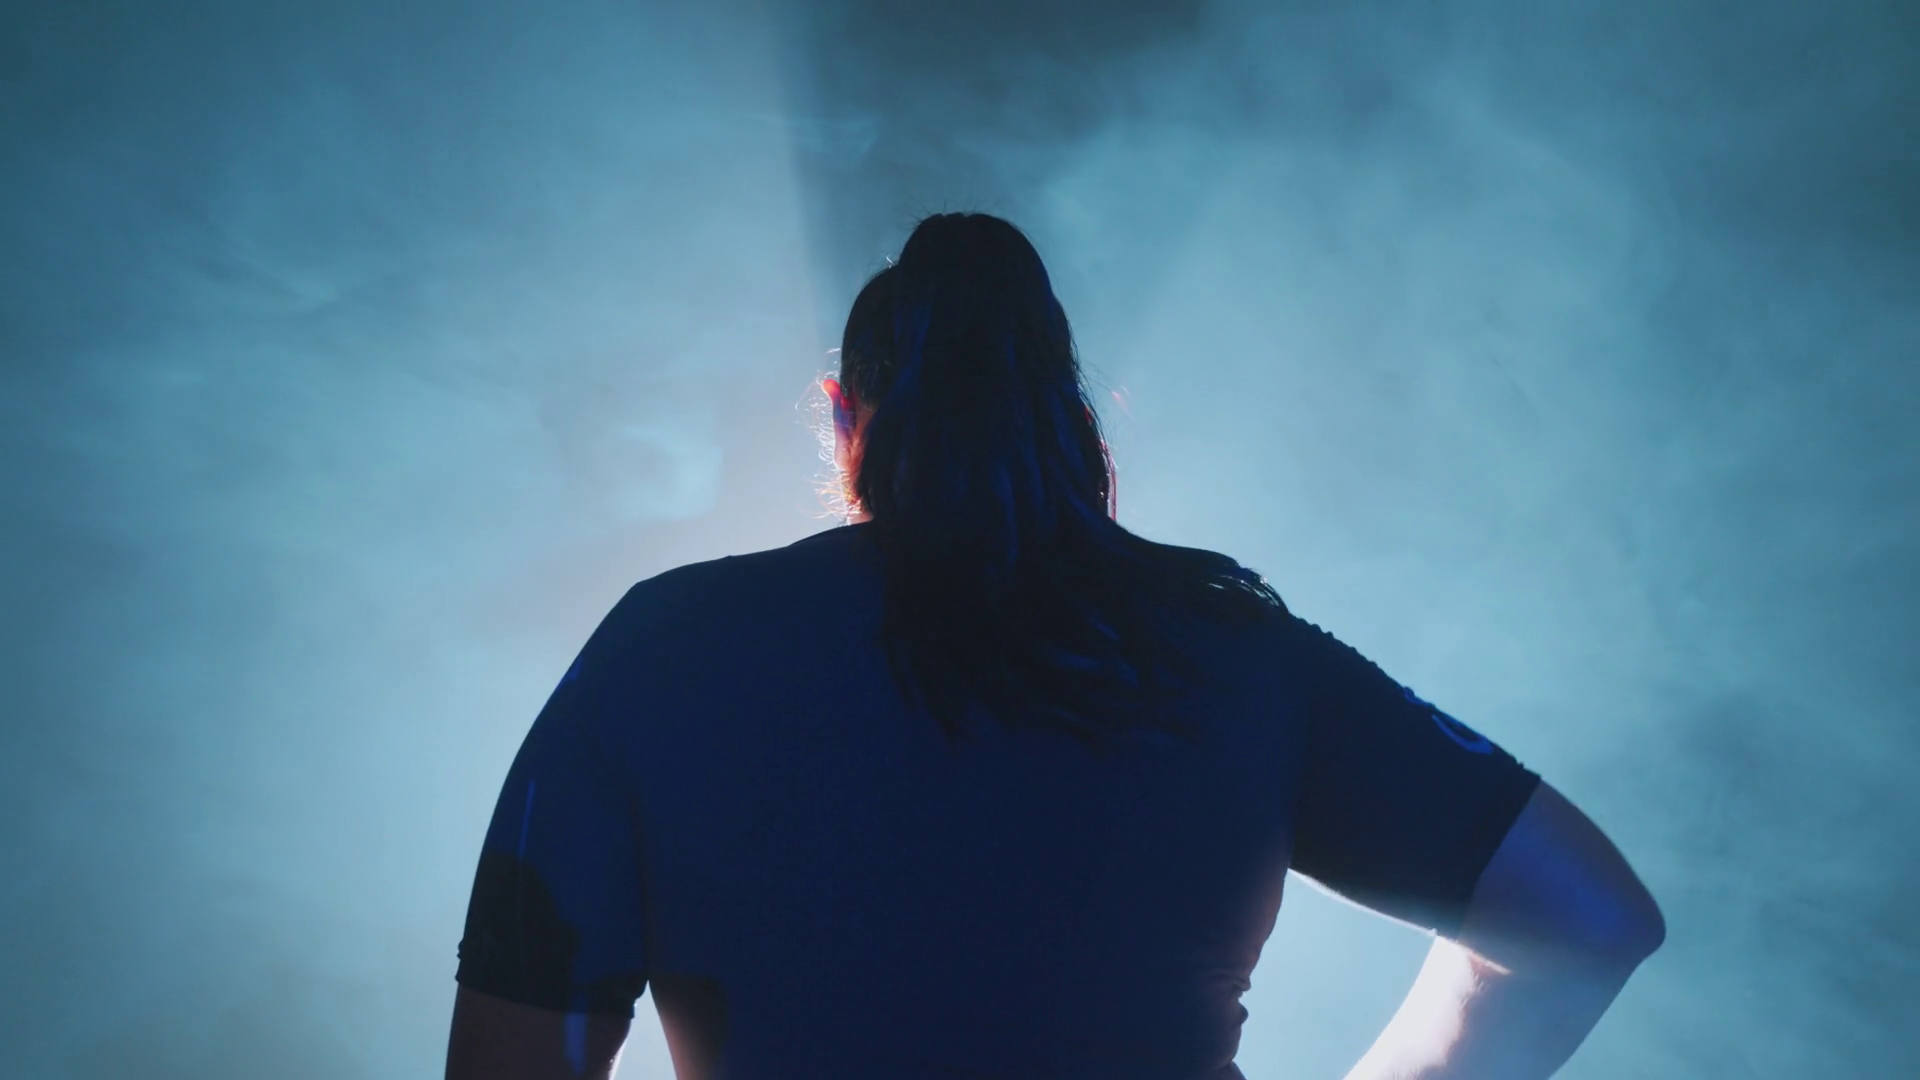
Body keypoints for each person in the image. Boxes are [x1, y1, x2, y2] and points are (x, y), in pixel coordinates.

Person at [444, 213, 1664, 1080]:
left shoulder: (664, 652)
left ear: (843, 417)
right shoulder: (1242, 654)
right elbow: (1587, 915)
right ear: (1068, 411)